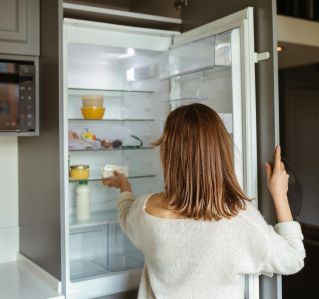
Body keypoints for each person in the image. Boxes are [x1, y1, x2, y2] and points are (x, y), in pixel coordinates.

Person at [103, 103, 305, 299]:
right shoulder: (240, 219)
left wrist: (124, 187)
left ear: (168, 154)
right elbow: (293, 259)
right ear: (220, 153)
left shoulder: (145, 210)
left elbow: (125, 213)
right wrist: (280, 195)